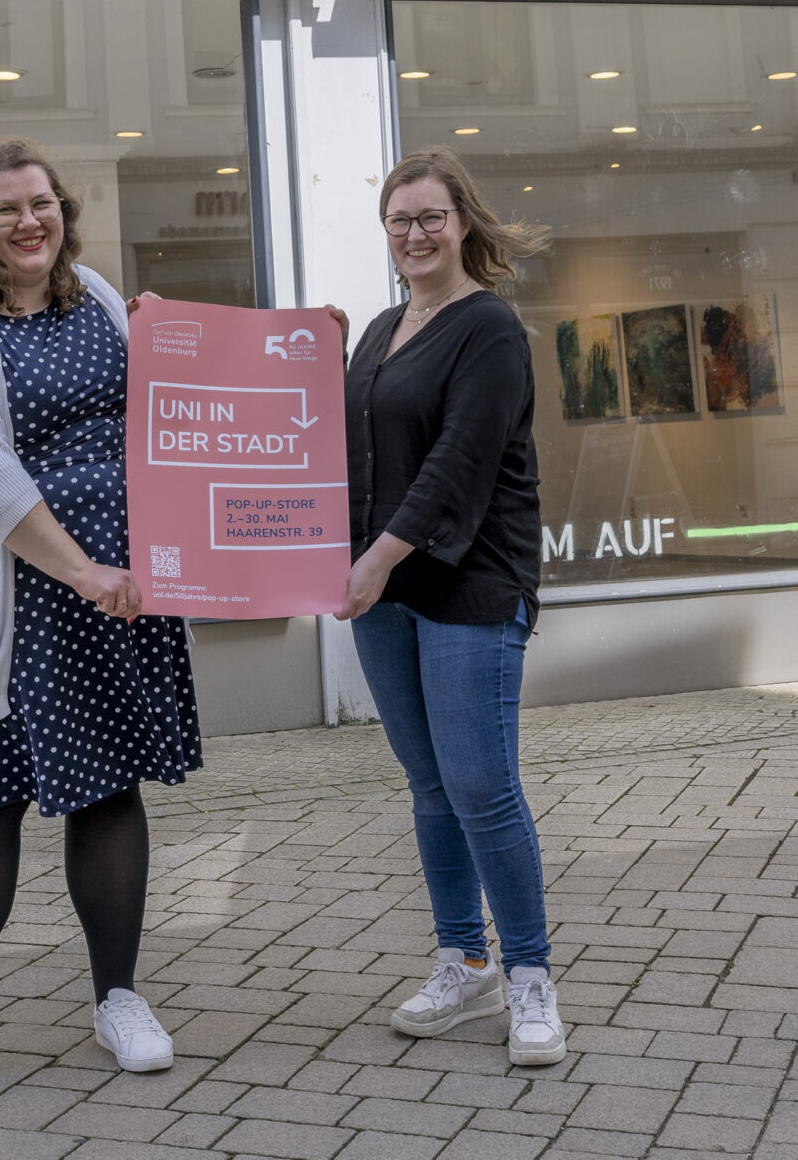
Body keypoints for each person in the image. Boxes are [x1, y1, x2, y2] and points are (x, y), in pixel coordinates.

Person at [0, 138, 202, 1103]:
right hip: (28, 593)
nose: (29, 222)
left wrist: (299, 354)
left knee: (108, 791)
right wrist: (80, 569)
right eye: (7, 208)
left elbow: (181, 411)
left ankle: (118, 998)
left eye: (42, 203)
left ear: (65, 210)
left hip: (117, 593)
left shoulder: (98, 296)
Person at [334, 146, 563, 1067]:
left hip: (468, 583)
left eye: (431, 216)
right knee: (431, 787)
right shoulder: (381, 327)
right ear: (385, 233)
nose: (417, 233)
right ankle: (463, 961)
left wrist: (375, 561)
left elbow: (456, 467)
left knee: (481, 786)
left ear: (463, 220)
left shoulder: (490, 329)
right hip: (386, 588)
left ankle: (532, 978)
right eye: (400, 219)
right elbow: (335, 445)